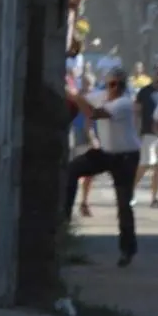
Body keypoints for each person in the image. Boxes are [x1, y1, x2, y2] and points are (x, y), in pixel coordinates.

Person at [66, 67, 141, 267]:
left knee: (124, 203)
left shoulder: (124, 103)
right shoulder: (100, 95)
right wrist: (73, 97)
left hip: (126, 156)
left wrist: (74, 94)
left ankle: (127, 250)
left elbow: (93, 113)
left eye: (119, 84)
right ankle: (63, 222)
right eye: (111, 84)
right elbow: (80, 102)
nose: (114, 88)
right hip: (106, 152)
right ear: (106, 83)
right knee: (71, 170)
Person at [134, 64, 158, 208]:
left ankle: (154, 198)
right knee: (145, 164)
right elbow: (136, 113)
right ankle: (130, 192)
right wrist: (136, 132)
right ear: (154, 75)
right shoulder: (144, 92)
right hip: (147, 133)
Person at [67, 73, 99, 217]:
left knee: (90, 173)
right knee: (77, 170)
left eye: (90, 84)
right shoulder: (77, 97)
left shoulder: (97, 98)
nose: (88, 86)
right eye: (85, 83)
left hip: (94, 134)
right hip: (79, 133)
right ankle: (73, 203)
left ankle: (84, 202)